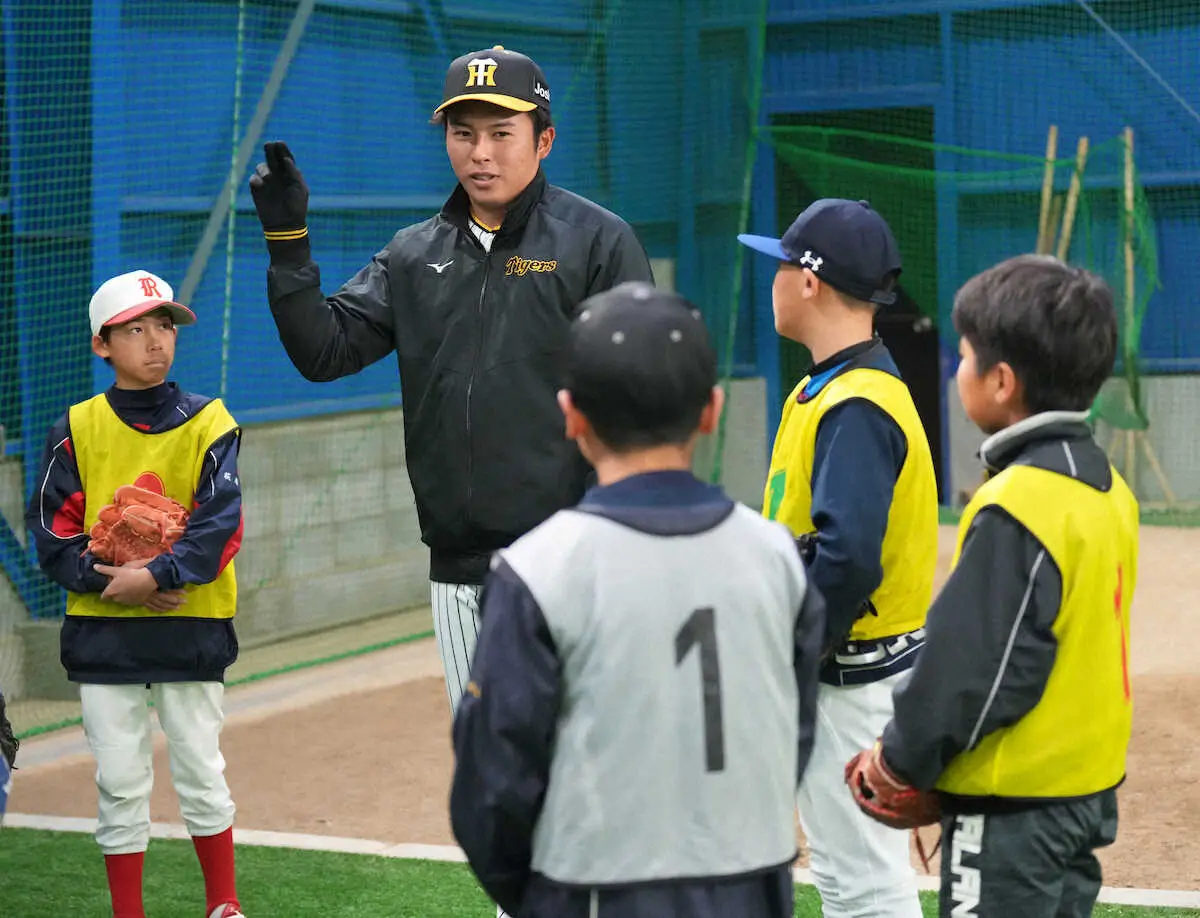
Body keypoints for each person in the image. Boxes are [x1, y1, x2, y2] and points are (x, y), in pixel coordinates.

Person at [248, 45, 655, 714]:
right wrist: (289, 241)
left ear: (544, 139)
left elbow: (640, 402)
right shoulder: (413, 255)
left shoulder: (598, 243)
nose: (480, 153)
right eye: (463, 134)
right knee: (491, 778)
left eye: (501, 133)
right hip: (459, 572)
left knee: (585, 767)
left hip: (573, 561)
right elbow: (324, 352)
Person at [449, 282, 826, 918]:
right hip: (751, 885)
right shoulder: (778, 555)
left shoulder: (539, 566)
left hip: (597, 888)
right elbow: (797, 731)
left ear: (571, 416)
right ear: (711, 410)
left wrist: (542, 894)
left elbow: (493, 783)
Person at [853, 254, 1135, 918]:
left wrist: (901, 760)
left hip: (1012, 807)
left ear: (1002, 382)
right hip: (1084, 794)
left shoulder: (1019, 501)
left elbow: (972, 667)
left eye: (966, 357)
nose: (956, 371)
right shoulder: (1108, 489)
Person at [738, 198, 939, 918]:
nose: (775, 279)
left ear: (810, 282)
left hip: (852, 678)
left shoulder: (856, 403)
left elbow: (848, 560)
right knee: (849, 871)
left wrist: (788, 654)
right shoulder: (832, 387)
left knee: (862, 883)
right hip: (853, 670)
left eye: (780, 265)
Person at [26, 270, 246, 918]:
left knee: (202, 774)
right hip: (105, 635)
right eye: (136, 328)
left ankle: (224, 905)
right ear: (102, 344)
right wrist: (113, 585)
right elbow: (51, 535)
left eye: (165, 326)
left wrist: (154, 575)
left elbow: (220, 526)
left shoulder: (213, 421)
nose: (156, 341)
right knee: (120, 785)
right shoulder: (76, 427)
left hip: (191, 627)